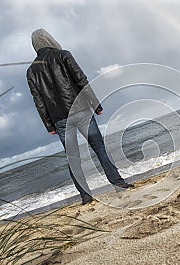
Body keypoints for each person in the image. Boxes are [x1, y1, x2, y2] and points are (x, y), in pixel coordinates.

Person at [26, 29, 133, 205]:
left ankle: (85, 196)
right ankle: (118, 183)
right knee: (100, 149)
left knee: (73, 158)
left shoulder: (31, 71)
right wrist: (96, 105)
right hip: (81, 110)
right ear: (49, 39)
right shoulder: (63, 55)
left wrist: (48, 125)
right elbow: (81, 80)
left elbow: (38, 100)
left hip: (59, 120)